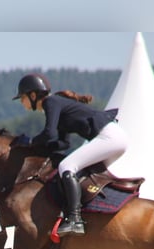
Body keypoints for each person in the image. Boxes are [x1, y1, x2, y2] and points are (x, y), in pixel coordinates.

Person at [12, 72, 128, 237]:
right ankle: (91, 212)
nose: (22, 103)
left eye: (22, 98)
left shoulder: (50, 102)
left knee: (67, 166)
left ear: (32, 95)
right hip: (116, 138)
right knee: (84, 173)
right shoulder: (56, 105)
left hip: (109, 137)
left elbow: (49, 134)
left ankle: (74, 219)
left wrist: (29, 142)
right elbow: (62, 143)